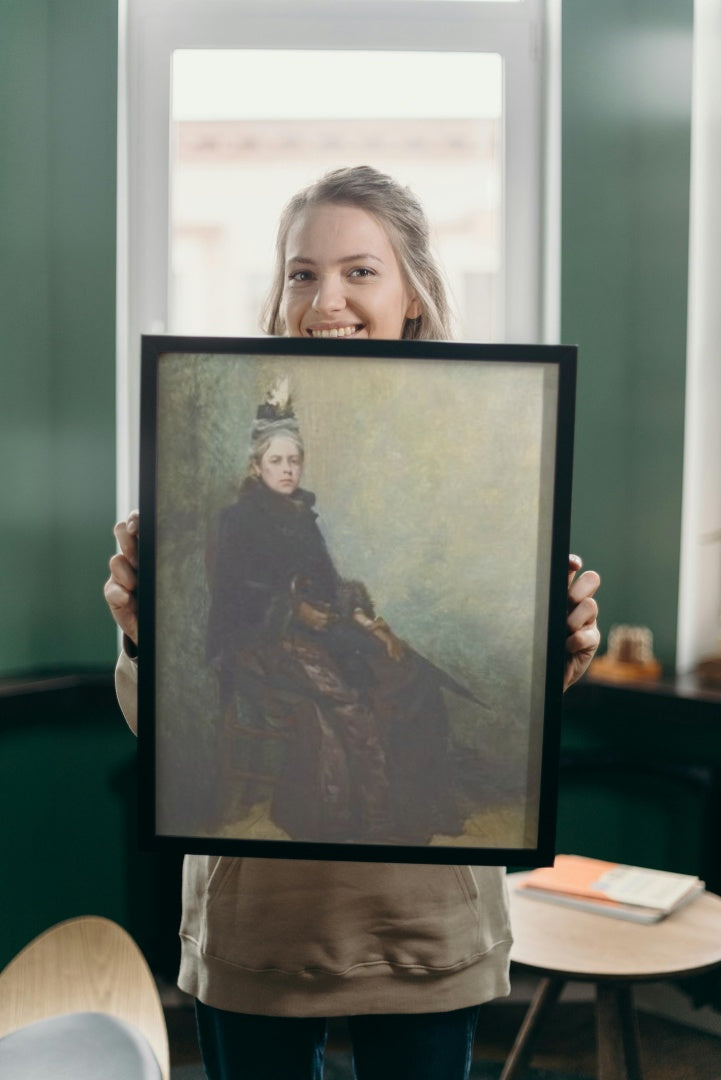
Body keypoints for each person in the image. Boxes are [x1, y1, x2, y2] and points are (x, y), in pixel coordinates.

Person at [105, 166, 601, 1080]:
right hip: (262, 926)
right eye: (301, 272)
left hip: (422, 930)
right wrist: (143, 634)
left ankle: (407, 802)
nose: (325, 298)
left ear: (412, 292)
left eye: (359, 271)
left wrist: (552, 652)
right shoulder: (225, 502)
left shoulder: (497, 419)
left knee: (402, 677)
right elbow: (171, 710)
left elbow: (330, 580)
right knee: (336, 698)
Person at [205, 382, 464, 844]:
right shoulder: (237, 521)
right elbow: (233, 599)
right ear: (256, 466)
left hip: (316, 633)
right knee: (347, 697)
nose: (287, 470)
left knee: (408, 673)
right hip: (258, 642)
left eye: (293, 461)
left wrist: (370, 624)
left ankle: (419, 803)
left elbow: (329, 583)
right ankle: (375, 815)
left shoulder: (303, 518)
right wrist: (292, 610)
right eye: (276, 462)